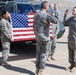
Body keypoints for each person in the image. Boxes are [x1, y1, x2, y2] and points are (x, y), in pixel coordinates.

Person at [33, 1, 58, 75]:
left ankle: (37, 70)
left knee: (38, 54)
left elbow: (33, 26)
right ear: (46, 7)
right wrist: (55, 12)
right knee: (44, 54)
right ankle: (41, 71)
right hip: (44, 38)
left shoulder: (36, 14)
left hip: (38, 37)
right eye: (48, 7)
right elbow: (56, 21)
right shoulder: (46, 15)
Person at [63, 7, 76, 72]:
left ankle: (75, 66)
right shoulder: (71, 19)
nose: (72, 11)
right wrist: (65, 15)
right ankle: (71, 65)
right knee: (70, 52)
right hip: (70, 39)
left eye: (74, 10)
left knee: (75, 53)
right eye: (72, 10)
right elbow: (65, 22)